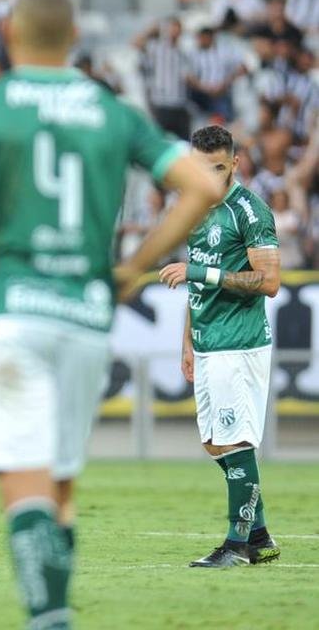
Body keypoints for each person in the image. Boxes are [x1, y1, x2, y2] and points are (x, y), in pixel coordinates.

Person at [0, 0, 221, 629]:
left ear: (10, 34)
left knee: (24, 484)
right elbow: (198, 186)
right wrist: (130, 272)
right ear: (74, 39)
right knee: (64, 485)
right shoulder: (112, 109)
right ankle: (57, 607)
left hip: (9, 308)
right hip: (83, 311)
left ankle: (49, 617)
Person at [157, 124, 281, 567]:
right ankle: (260, 533)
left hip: (239, 342)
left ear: (234, 164)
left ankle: (236, 545)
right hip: (209, 343)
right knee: (215, 443)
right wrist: (187, 341)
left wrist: (200, 274)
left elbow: (269, 282)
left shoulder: (249, 211)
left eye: (217, 168)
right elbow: (199, 281)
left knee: (236, 441)